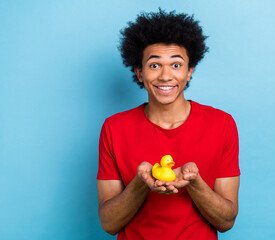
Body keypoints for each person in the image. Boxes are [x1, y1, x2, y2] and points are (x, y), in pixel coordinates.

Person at [97, 9, 240, 240]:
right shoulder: (114, 128)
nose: (165, 76)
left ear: (189, 72)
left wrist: (194, 183)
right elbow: (108, 224)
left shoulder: (222, 124)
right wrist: (141, 184)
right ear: (139, 72)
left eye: (176, 65)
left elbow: (226, 221)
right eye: (154, 65)